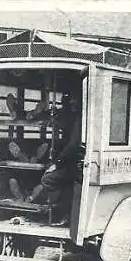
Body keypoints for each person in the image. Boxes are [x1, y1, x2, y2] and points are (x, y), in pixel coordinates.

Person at [39, 93, 83, 226]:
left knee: (47, 179)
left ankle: (60, 212)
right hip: (72, 163)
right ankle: (62, 212)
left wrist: (57, 164)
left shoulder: (78, 120)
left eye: (73, 102)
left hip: (76, 165)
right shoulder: (73, 118)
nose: (71, 104)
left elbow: (72, 146)